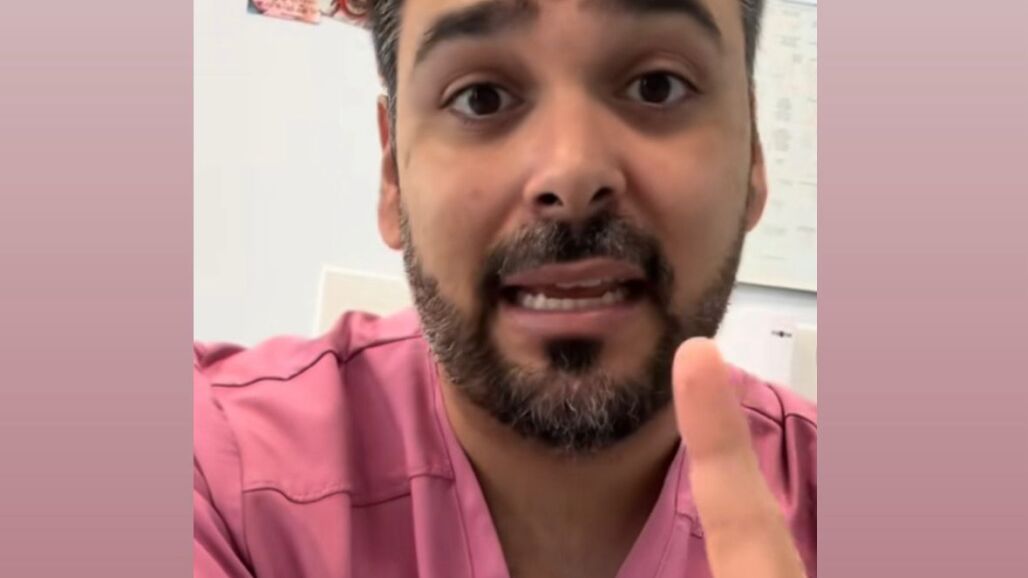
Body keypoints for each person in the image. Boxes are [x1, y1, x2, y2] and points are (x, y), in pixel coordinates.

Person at [193, 0, 817, 576]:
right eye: (481, 98)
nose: (572, 173)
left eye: (658, 86)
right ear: (392, 175)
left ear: (754, 156)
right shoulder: (217, 479)